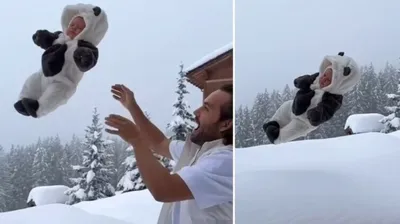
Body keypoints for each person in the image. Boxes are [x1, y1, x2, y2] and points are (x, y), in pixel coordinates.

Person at [104, 84, 233, 224]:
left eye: (206, 108)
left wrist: (136, 141)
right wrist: (132, 106)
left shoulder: (225, 161)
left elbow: (164, 188)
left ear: (226, 124)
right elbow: (159, 143)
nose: (196, 111)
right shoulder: (199, 150)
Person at [14, 3, 108, 118]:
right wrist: (41, 37)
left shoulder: (84, 46)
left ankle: (37, 108)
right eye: (72, 25)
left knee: (54, 95)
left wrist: (84, 57)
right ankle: (24, 100)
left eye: (79, 28)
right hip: (43, 75)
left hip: (63, 81)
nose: (74, 28)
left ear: (87, 32)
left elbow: (89, 62)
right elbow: (49, 40)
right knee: (32, 81)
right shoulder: (60, 37)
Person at [263, 52, 361, 144]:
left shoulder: (333, 98)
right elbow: (307, 79)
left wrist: (316, 115)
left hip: (304, 121)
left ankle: (276, 137)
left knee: (292, 130)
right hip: (294, 106)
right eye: (325, 75)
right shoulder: (317, 78)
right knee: (284, 107)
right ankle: (273, 124)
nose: (323, 79)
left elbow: (327, 111)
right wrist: (300, 81)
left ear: (338, 84)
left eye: (328, 80)